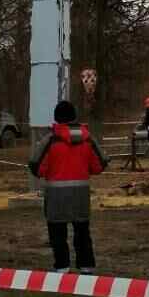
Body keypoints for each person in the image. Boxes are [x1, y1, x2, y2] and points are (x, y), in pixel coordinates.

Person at [29, 100, 108, 273]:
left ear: (56, 118)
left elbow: (36, 165)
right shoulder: (88, 138)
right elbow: (100, 165)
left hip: (56, 195)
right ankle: (86, 265)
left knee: (57, 233)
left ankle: (62, 266)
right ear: (74, 117)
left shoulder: (50, 140)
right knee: (82, 232)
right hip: (80, 193)